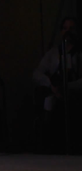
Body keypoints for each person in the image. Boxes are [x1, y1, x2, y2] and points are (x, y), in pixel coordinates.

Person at [32, 17, 82, 153]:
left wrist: (68, 86)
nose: (68, 32)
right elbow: (37, 73)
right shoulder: (53, 53)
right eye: (65, 28)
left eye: (71, 29)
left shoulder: (79, 53)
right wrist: (51, 86)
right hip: (56, 93)